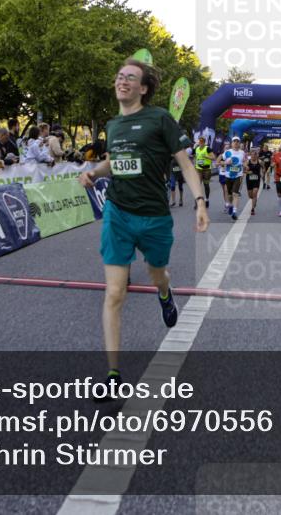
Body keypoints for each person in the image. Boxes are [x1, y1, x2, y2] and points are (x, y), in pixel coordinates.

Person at [78, 52, 208, 398]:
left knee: (157, 273)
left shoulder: (160, 119)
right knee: (115, 293)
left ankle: (165, 293)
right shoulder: (112, 125)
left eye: (131, 77)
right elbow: (113, 161)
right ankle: (113, 374)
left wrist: (199, 201)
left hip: (154, 217)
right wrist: (93, 172)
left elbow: (186, 164)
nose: (122, 81)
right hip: (118, 213)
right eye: (120, 76)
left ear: (145, 88)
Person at [217, 137, 246, 221]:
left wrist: (245, 165)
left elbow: (244, 161)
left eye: (237, 141)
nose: (236, 143)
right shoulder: (227, 152)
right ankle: (230, 204)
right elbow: (217, 162)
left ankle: (234, 212)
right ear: (232, 143)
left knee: (235, 194)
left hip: (238, 176)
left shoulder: (242, 152)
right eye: (234, 141)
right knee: (229, 195)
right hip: (228, 176)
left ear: (239, 143)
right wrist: (225, 162)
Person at [194, 136, 213, 210]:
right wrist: (195, 166)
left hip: (206, 169)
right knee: (198, 185)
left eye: (202, 141)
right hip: (198, 169)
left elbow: (213, 157)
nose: (200, 142)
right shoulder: (197, 148)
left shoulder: (207, 148)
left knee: (206, 185)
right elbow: (196, 157)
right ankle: (197, 202)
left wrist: (207, 156)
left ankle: (207, 199)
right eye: (199, 141)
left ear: (204, 142)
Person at [245, 149, 262, 216]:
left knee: (255, 193)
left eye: (255, 155)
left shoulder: (260, 162)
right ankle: (254, 200)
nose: (253, 156)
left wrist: (263, 173)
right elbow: (243, 170)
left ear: (257, 155)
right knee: (250, 196)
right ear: (250, 155)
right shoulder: (247, 162)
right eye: (252, 155)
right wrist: (248, 172)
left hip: (256, 180)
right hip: (249, 180)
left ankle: (252, 209)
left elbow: (264, 168)